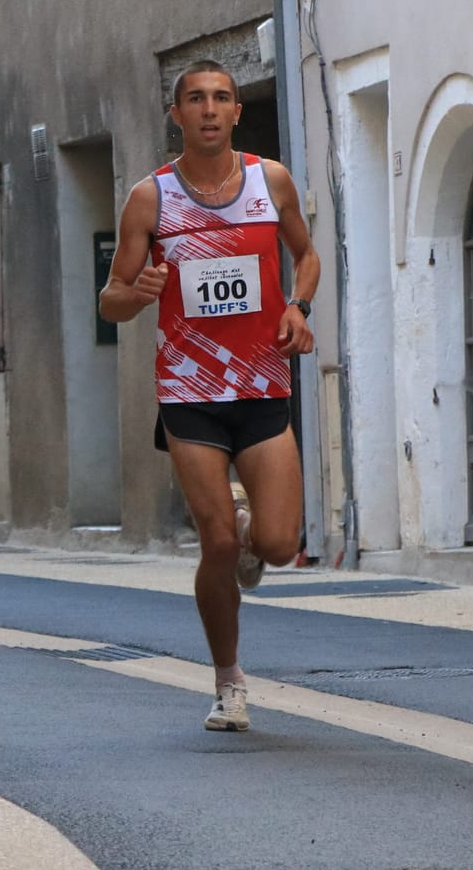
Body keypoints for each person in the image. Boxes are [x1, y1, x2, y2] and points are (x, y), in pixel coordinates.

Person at [100, 61, 319, 733]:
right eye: (195, 98)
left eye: (222, 97)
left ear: (236, 111)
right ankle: (228, 682)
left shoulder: (269, 179)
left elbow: (305, 256)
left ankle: (256, 533)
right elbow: (109, 299)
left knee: (279, 544)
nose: (210, 109)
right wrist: (135, 296)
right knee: (217, 541)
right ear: (177, 114)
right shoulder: (151, 198)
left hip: (261, 382)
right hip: (189, 391)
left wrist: (299, 306)